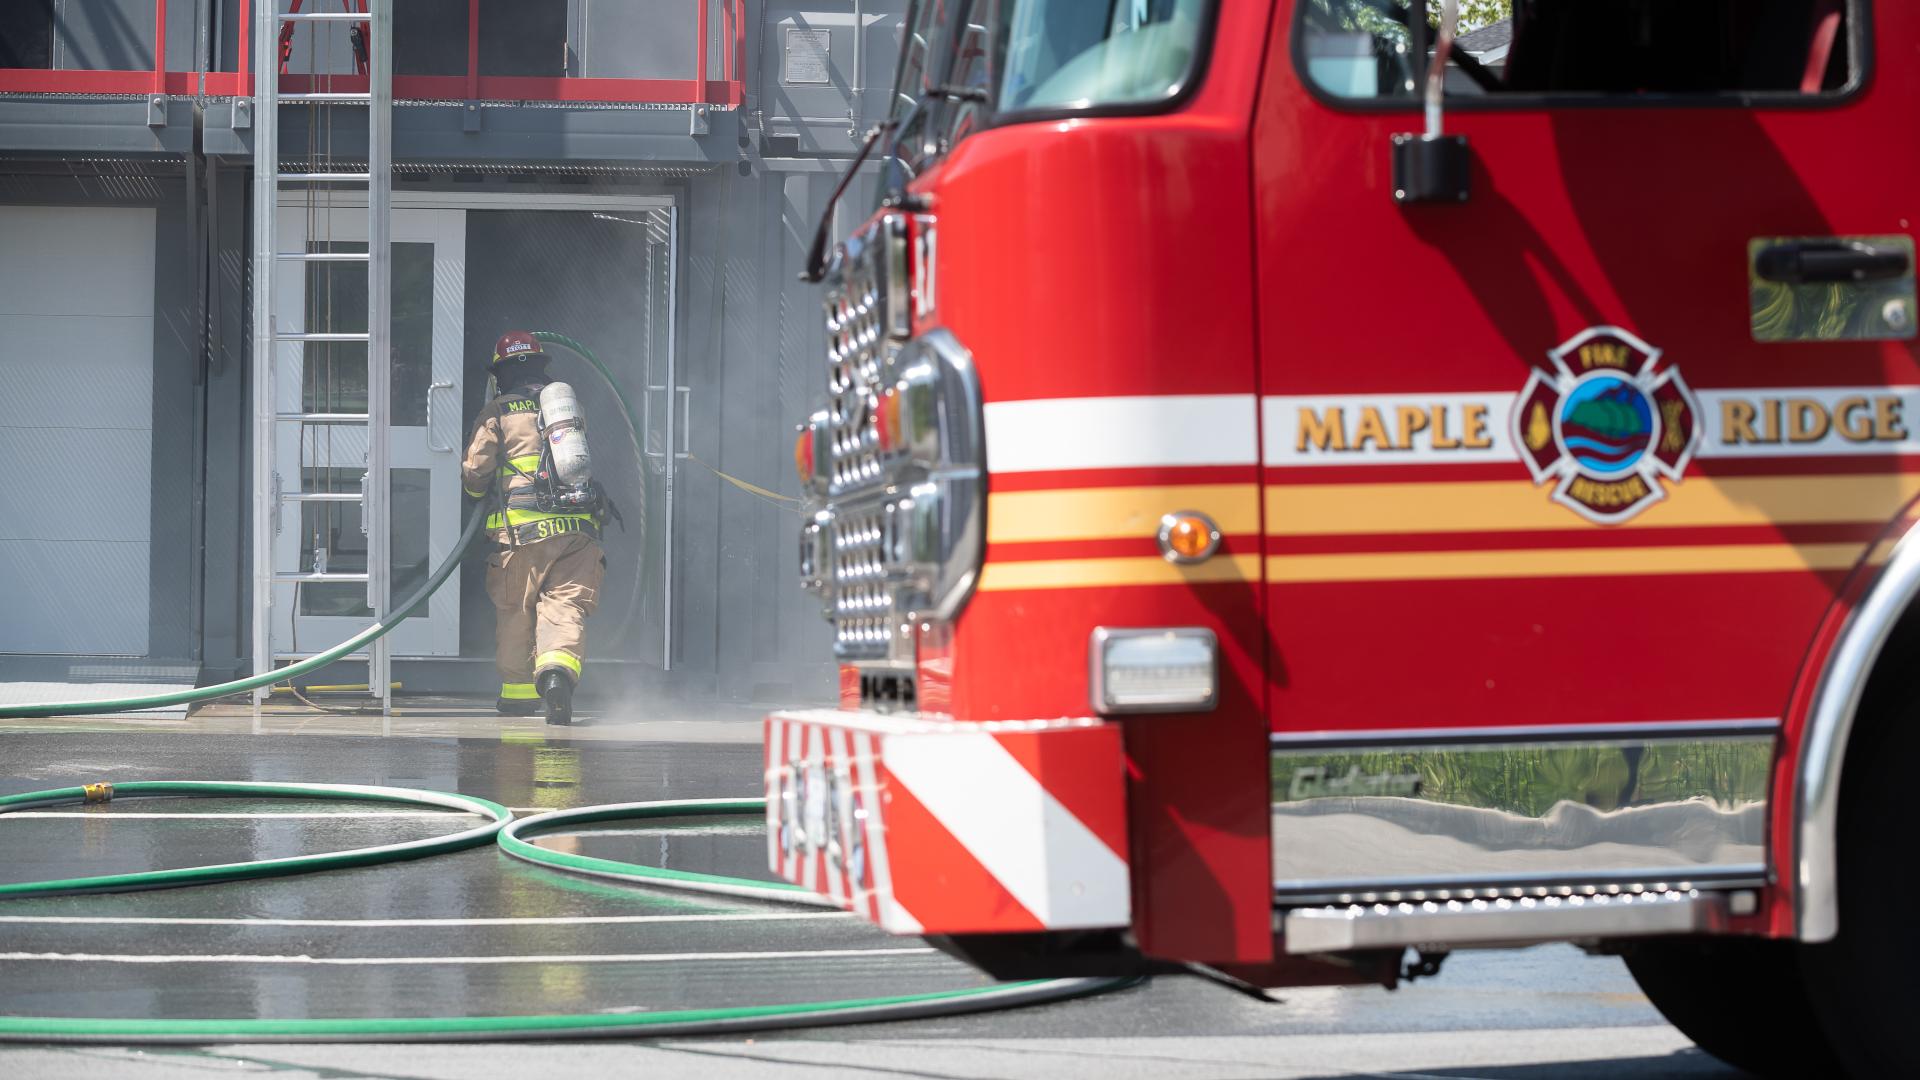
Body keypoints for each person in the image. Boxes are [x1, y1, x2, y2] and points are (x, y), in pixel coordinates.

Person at [462, 330, 605, 725]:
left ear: (501, 374)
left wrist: (473, 494)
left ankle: (519, 696)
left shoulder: (498, 411)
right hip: (578, 530)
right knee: (565, 607)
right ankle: (557, 674)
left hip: (523, 535)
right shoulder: (567, 409)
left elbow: (477, 470)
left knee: (516, 611)